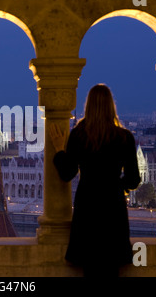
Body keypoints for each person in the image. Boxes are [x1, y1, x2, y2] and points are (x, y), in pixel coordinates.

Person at [49, 84, 141, 277]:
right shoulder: (125, 138)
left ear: (87, 106)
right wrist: (116, 185)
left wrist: (59, 149)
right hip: (113, 208)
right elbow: (133, 180)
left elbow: (67, 174)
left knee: (89, 268)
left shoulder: (79, 135)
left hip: (87, 207)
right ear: (111, 106)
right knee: (111, 267)